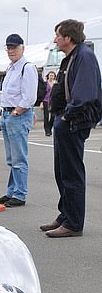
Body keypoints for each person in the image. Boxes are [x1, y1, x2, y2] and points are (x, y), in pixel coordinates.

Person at [40, 19, 102, 238]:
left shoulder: (84, 57)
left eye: (57, 35)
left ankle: (74, 223)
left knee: (71, 174)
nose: (55, 39)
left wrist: (67, 116)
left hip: (73, 122)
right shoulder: (71, 57)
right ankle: (64, 215)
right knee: (62, 172)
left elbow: (85, 94)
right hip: (64, 121)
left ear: (68, 38)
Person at [0, 34, 38, 207]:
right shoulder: (11, 67)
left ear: (22, 47)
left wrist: (16, 112)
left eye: (14, 47)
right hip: (7, 114)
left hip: (17, 115)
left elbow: (29, 97)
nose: (11, 51)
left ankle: (20, 194)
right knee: (12, 158)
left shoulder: (26, 67)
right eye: (9, 48)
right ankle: (12, 191)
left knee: (19, 158)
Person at [42, 71, 57, 137]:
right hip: (46, 101)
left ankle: (50, 128)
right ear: (48, 76)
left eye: (52, 75)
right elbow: (42, 93)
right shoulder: (45, 84)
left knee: (53, 116)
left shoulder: (55, 84)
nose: (51, 77)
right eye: (50, 75)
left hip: (53, 101)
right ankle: (47, 131)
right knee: (46, 116)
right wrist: (41, 102)